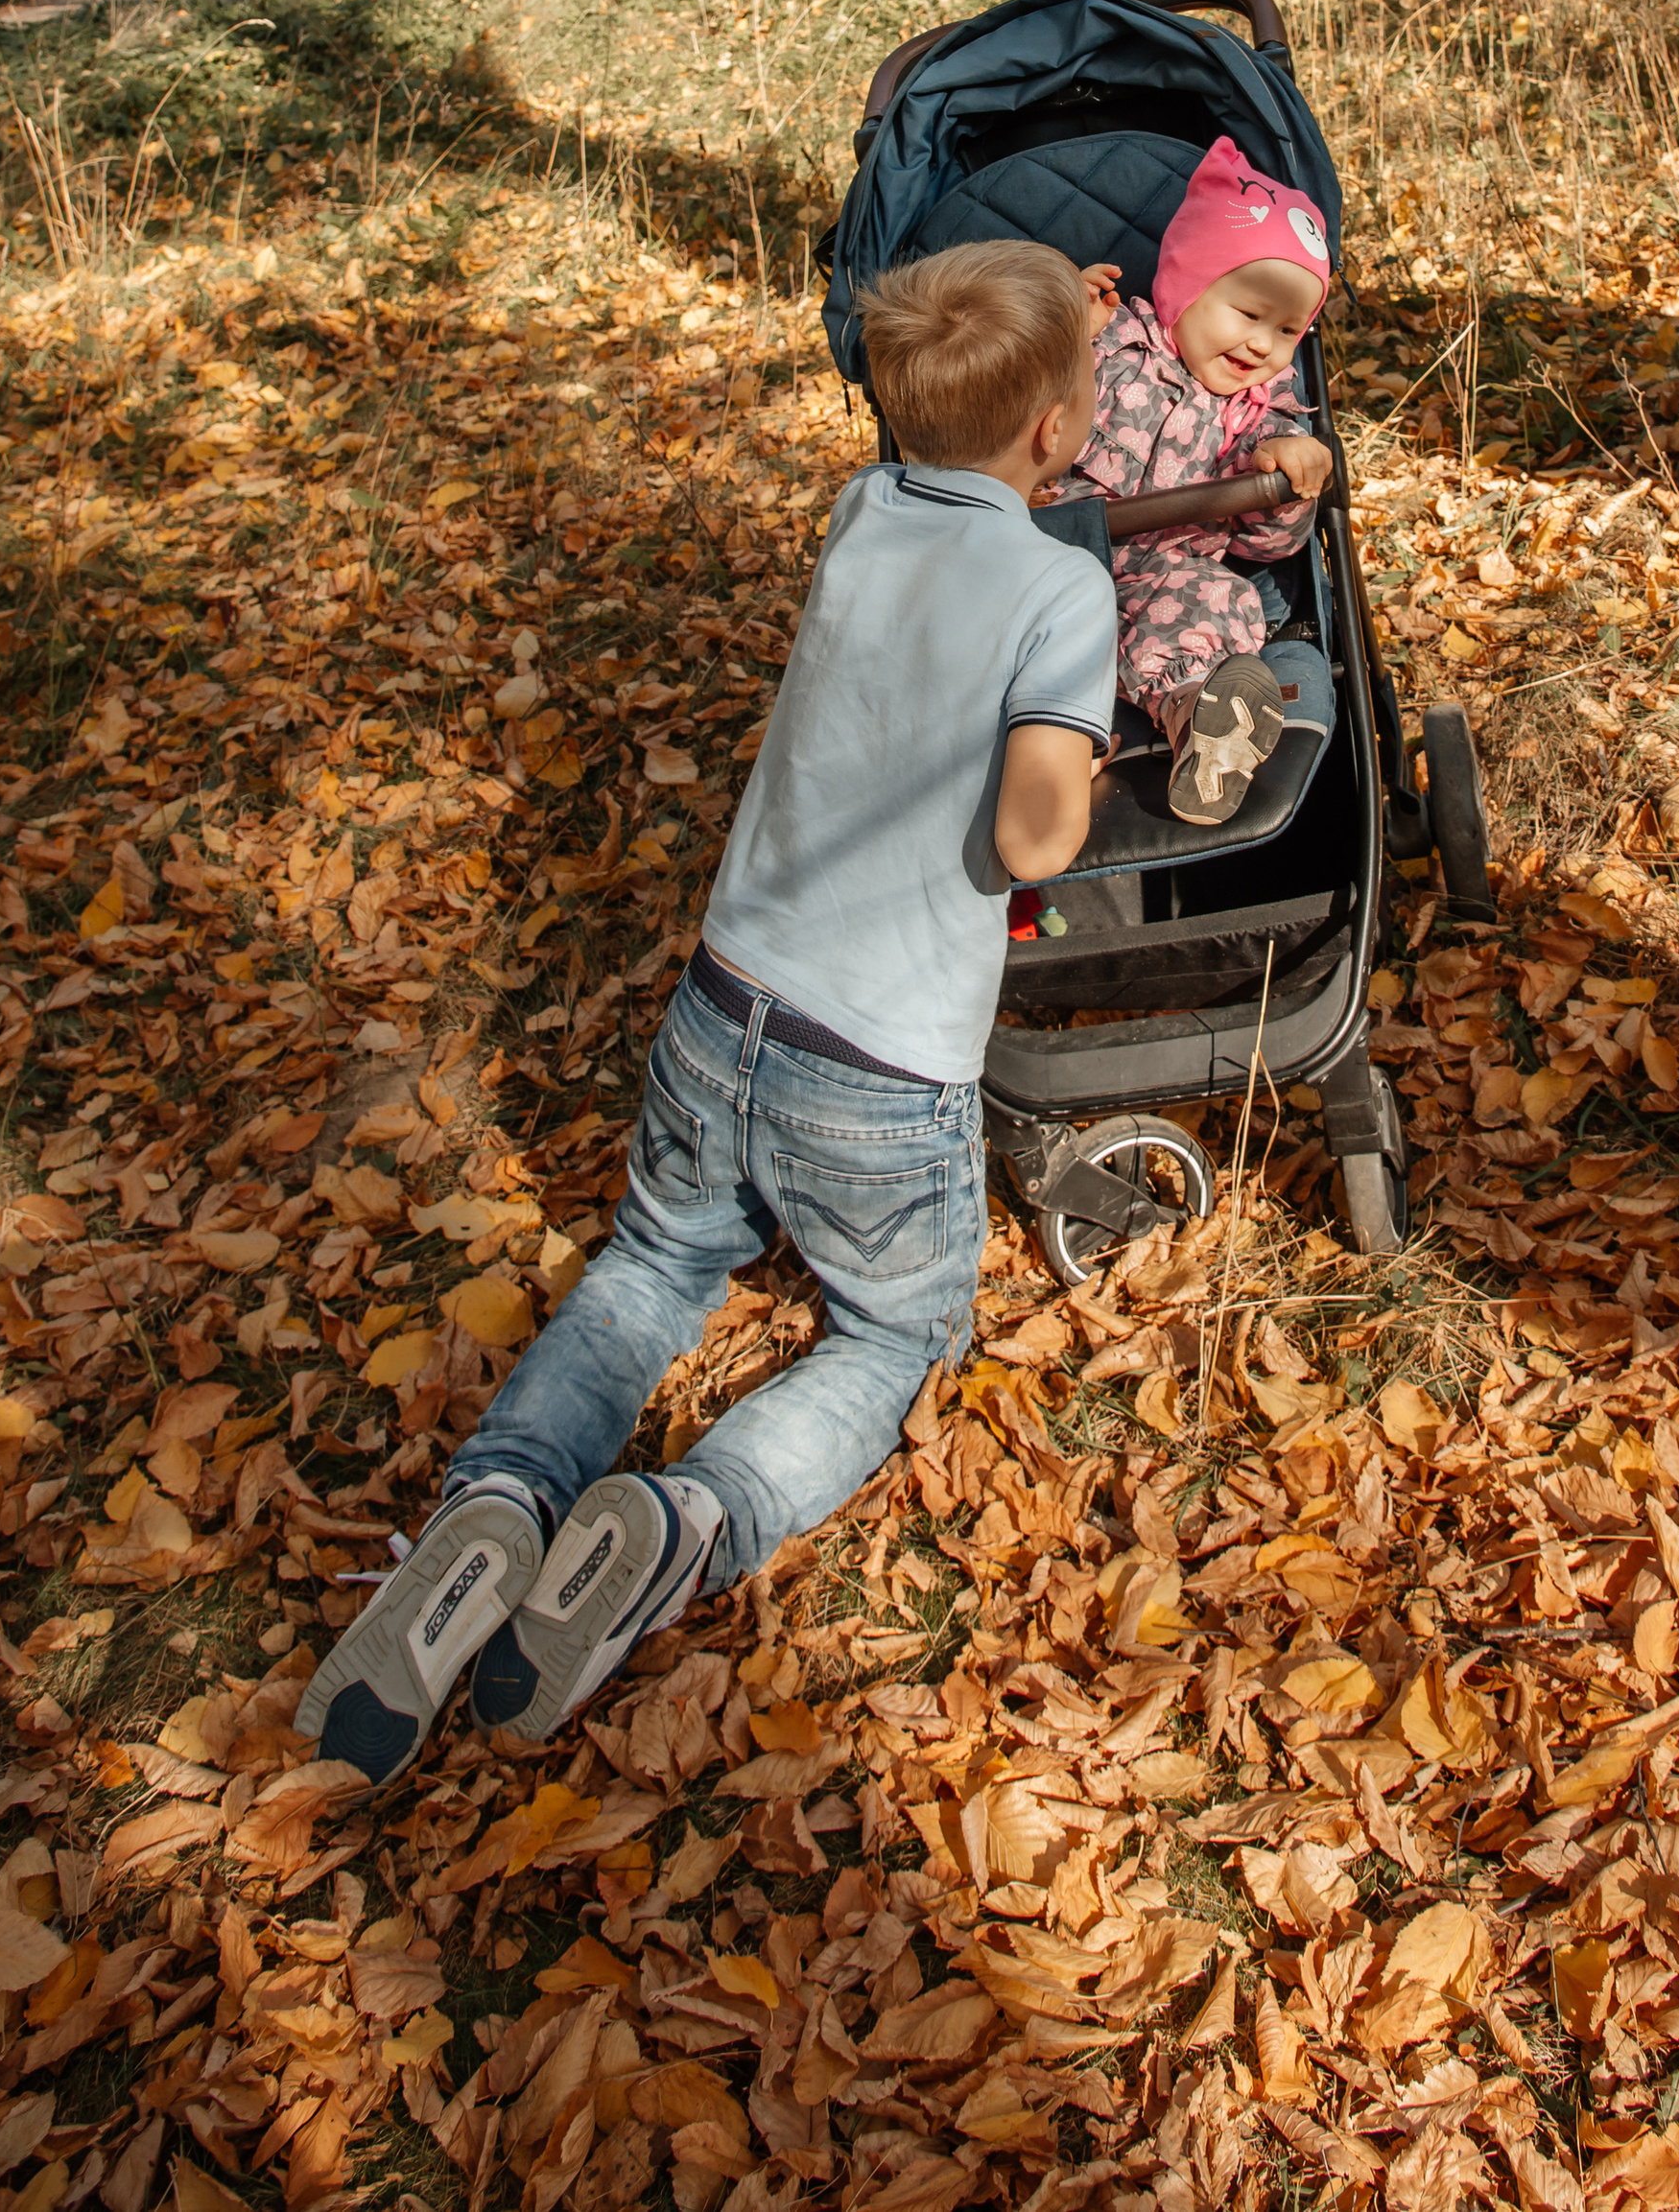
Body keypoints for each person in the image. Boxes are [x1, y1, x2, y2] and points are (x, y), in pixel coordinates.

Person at [295, 241, 1116, 1787]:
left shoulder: (862, 510)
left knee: (652, 1264)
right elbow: (1032, 841)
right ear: (1065, 436)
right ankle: (687, 1515)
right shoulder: (1065, 586)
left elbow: (965, 454)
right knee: (896, 1329)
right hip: (880, 1071)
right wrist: (1088, 766)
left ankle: (497, 1503)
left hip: (723, 1010)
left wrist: (1039, 326)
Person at [1051, 136, 1335, 825]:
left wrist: (1292, 484)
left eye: (1289, 330)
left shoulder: (1263, 420)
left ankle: (1205, 729)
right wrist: (1060, 318)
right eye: (1248, 312)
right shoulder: (1112, 338)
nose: (1265, 345)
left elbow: (1265, 551)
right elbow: (1008, 390)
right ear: (1188, 283)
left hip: (1159, 575)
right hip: (1041, 556)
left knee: (1215, 601)